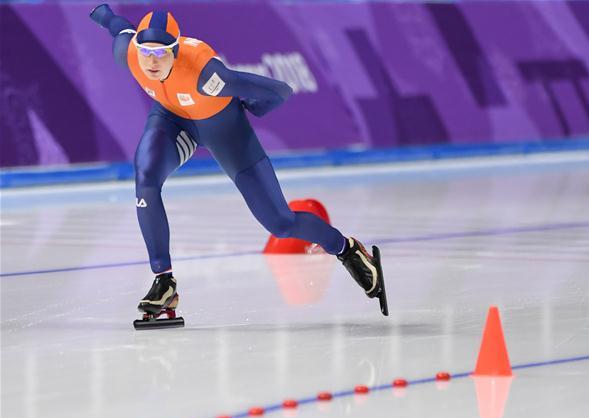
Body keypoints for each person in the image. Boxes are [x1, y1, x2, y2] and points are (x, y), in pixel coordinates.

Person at [89, 7, 388, 327]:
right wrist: (102, 13)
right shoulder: (130, 53)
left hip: (226, 130)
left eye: (161, 53)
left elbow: (278, 90)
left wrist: (251, 108)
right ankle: (164, 282)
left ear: (175, 52)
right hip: (172, 121)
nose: (151, 61)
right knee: (145, 176)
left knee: (280, 224)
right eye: (147, 51)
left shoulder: (206, 75)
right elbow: (119, 28)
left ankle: (346, 249)